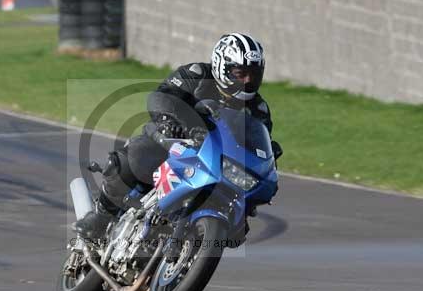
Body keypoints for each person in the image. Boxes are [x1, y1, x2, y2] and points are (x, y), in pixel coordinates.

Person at [75, 32, 281, 240]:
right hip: (170, 143)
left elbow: (260, 144)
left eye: (253, 75)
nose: (247, 80)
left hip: (215, 164)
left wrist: (268, 166)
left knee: (237, 229)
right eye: (240, 73)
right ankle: (101, 216)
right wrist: (170, 122)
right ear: (221, 66)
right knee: (131, 159)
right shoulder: (196, 74)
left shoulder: (258, 109)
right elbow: (163, 96)